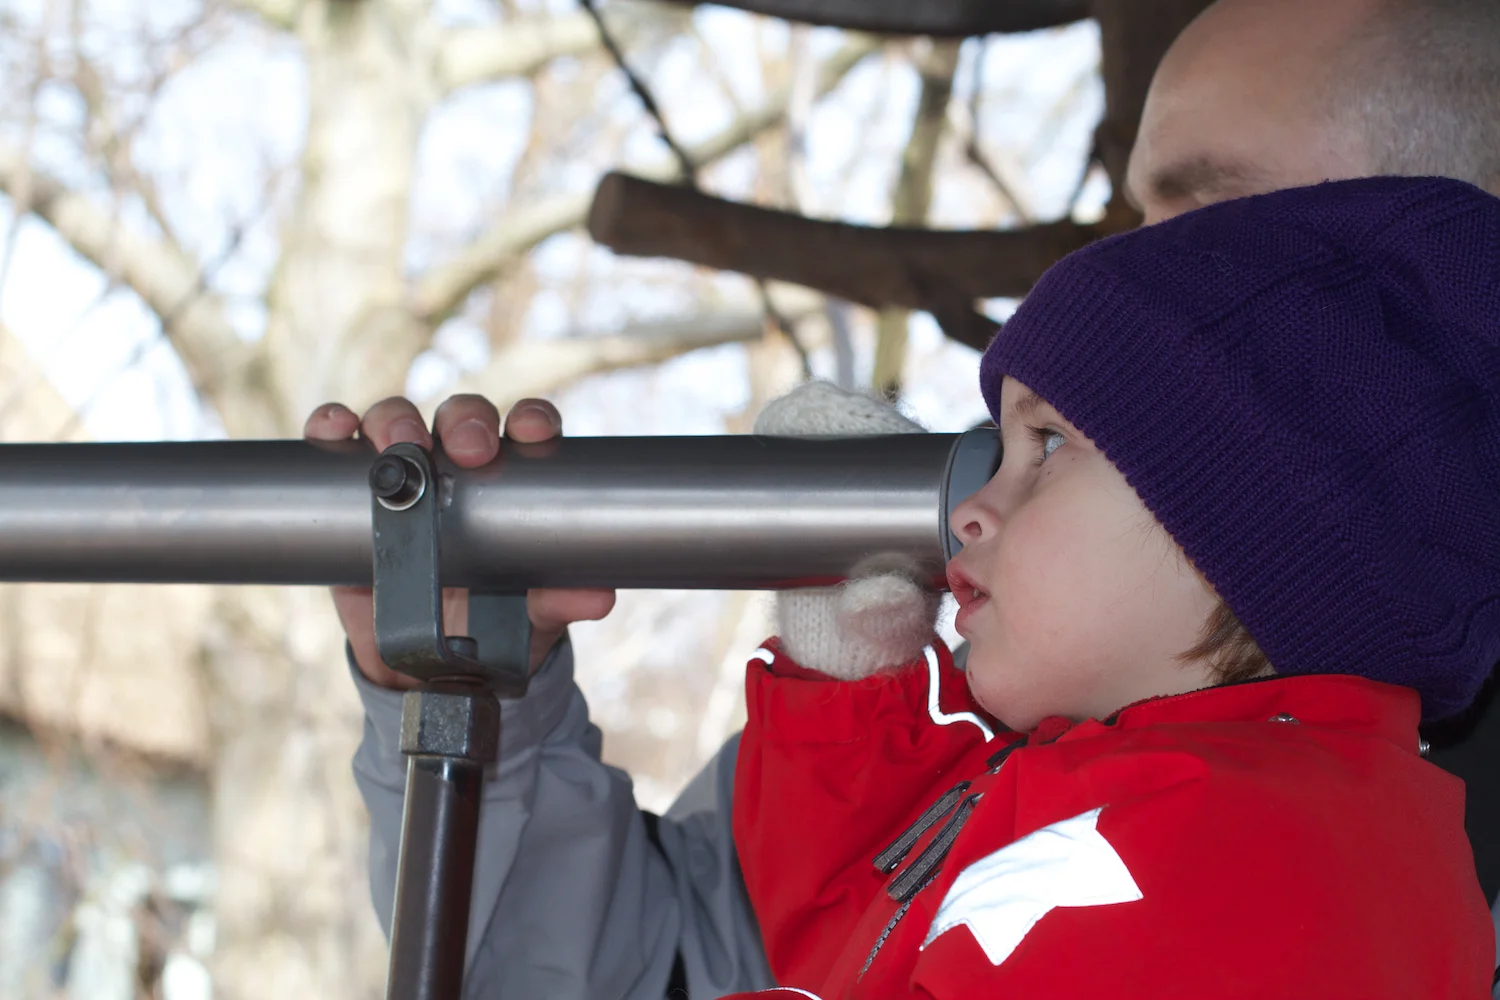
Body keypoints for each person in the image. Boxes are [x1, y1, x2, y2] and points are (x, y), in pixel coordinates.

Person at [319, 0, 1500, 995]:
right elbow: (665, 967)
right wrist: (478, 711)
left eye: (1207, 220)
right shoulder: (1038, 667)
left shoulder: (1287, 831)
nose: (1116, 265)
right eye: (1127, 209)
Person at [719, 175, 1500, 998]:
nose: (973, 511)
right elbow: (868, 953)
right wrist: (850, 684)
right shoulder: (1192, 807)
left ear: (1235, 525)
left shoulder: (1238, 851)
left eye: (1047, 446)